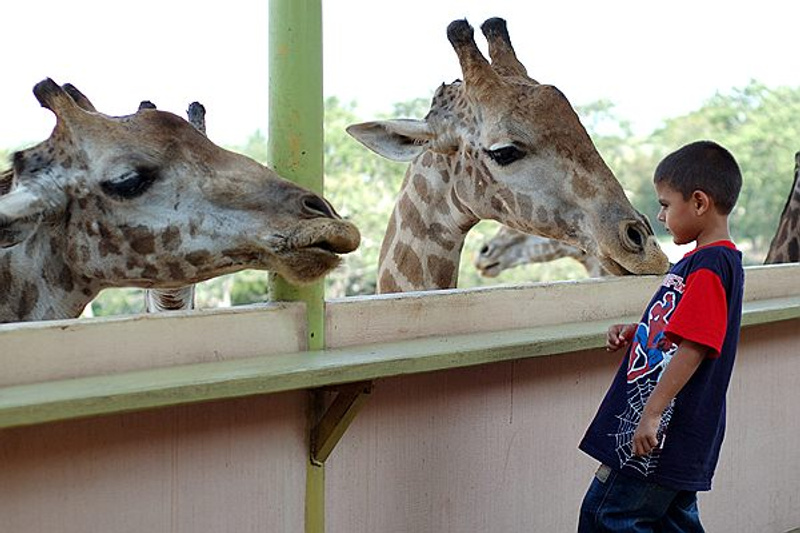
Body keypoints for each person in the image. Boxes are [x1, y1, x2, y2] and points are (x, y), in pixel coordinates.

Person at [577, 140, 745, 532]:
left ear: (699, 202)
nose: (660, 215)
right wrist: (640, 332)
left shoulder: (708, 267)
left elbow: (695, 346)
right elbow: (683, 330)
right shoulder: (705, 264)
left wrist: (651, 414)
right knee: (673, 522)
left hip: (660, 433)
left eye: (666, 204)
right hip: (679, 435)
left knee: (606, 515)